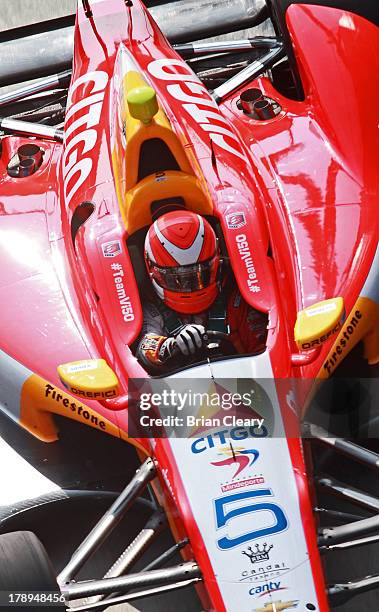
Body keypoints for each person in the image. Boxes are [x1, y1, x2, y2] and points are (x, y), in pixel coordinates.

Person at [136, 210, 268, 373]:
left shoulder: (236, 293)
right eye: (177, 279)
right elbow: (144, 346)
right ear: (153, 270)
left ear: (216, 261)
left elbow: (264, 346)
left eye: (200, 275)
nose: (190, 287)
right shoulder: (150, 305)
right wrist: (170, 346)